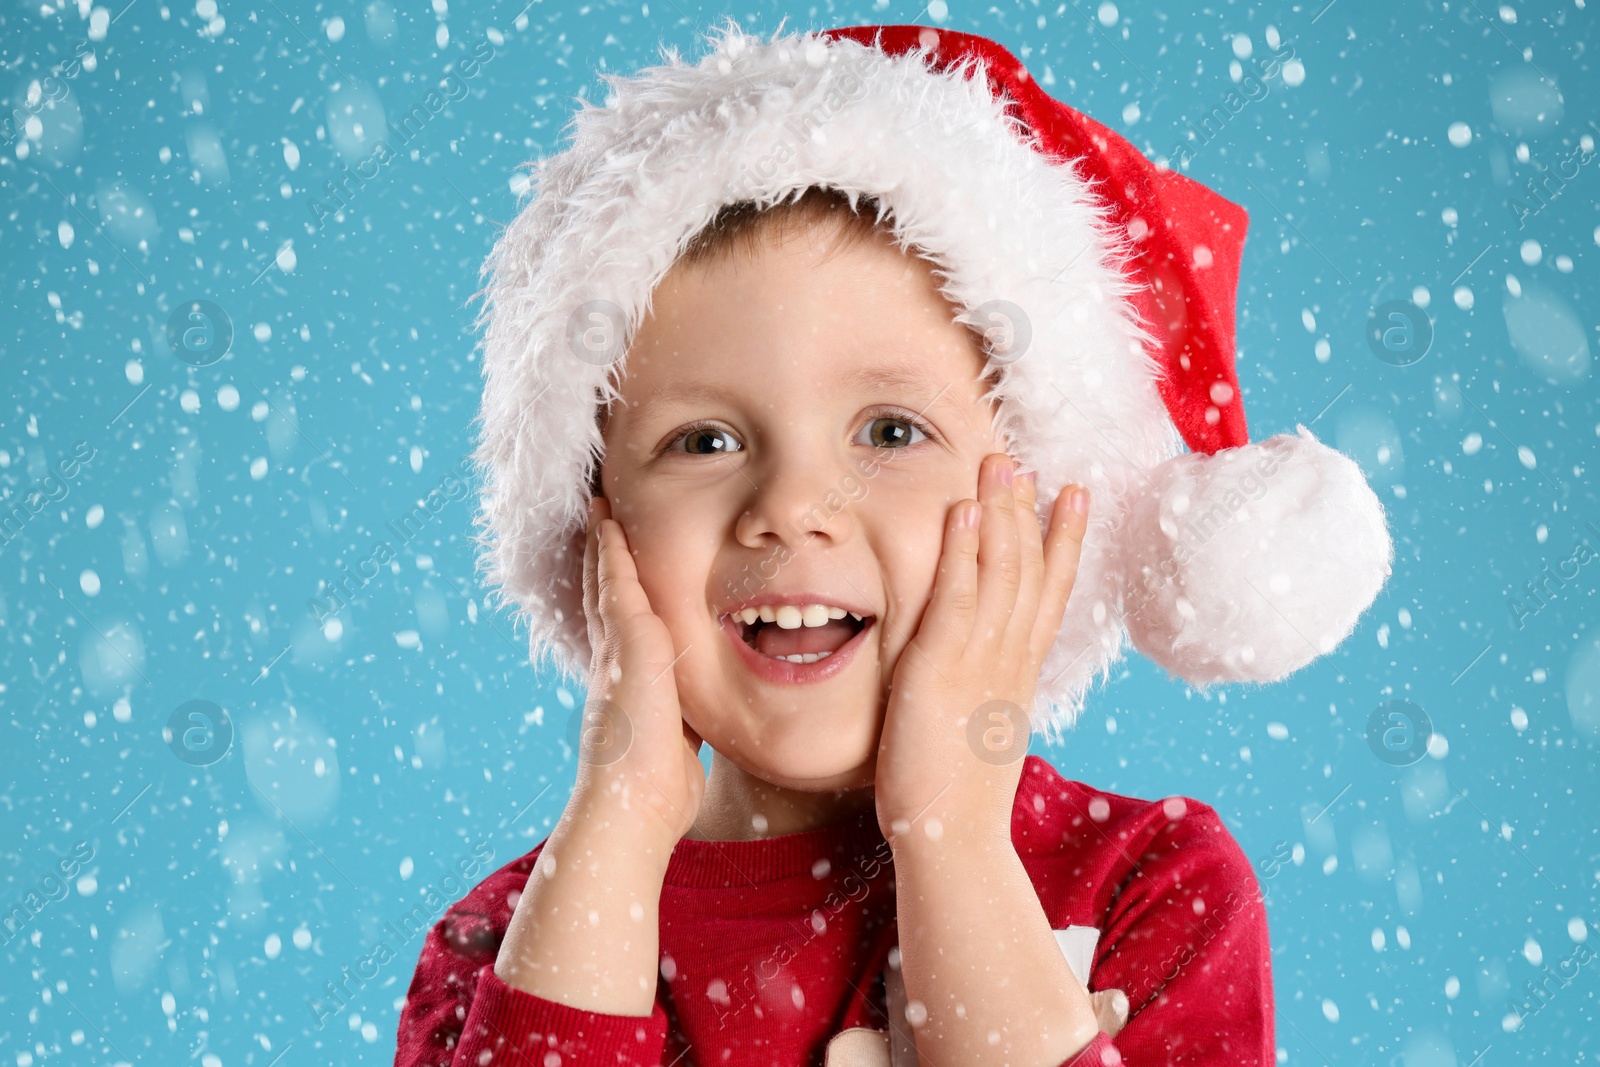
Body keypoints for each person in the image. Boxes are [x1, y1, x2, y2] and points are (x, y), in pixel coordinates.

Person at [393, 19, 1394, 1067]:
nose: (790, 505)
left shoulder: (1153, 884)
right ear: (591, 522)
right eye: (703, 438)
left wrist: (951, 833)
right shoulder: (502, 948)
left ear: (1037, 495)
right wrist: (615, 823)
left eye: (890, 430)